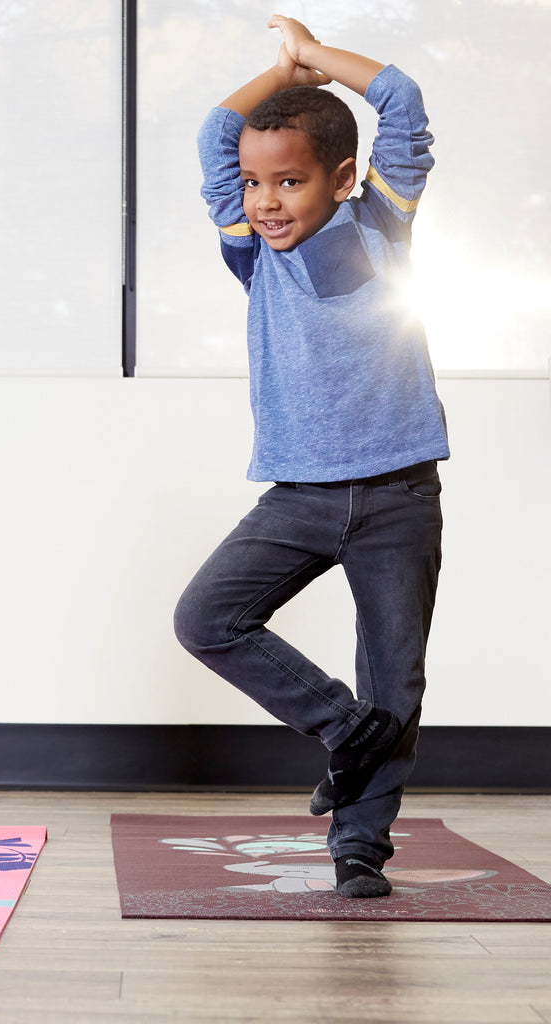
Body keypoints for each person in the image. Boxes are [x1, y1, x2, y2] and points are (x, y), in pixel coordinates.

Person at [173, 16, 448, 898]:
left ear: (341, 178)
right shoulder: (253, 255)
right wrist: (280, 71)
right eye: (254, 183)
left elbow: (401, 100)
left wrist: (314, 58)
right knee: (206, 618)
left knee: (394, 673)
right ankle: (343, 728)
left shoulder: (380, 226)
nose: (265, 201)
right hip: (298, 495)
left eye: (289, 181)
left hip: (399, 493)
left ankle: (359, 846)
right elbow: (217, 133)